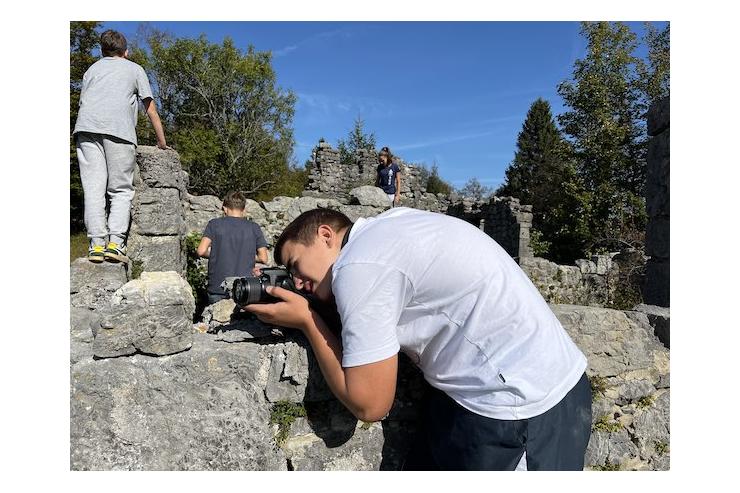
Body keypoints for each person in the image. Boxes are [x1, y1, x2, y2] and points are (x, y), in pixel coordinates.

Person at [244, 207, 592, 471]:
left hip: (522, 408)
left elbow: (370, 404)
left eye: (294, 265)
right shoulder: (390, 226)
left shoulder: (358, 264)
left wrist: (307, 319)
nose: (297, 281)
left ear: (325, 235)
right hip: (496, 390)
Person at [73, 29, 168, 263]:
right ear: (126, 51)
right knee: (120, 189)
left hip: (86, 129)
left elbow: (85, 101)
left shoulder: (92, 70)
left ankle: (96, 245)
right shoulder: (134, 69)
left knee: (94, 190)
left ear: (102, 50)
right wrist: (162, 141)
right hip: (119, 132)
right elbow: (150, 108)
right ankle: (115, 244)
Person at [197, 191, 269, 305]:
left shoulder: (214, 224)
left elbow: (201, 251)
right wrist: (246, 255)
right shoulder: (254, 227)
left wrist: (219, 253)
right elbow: (264, 258)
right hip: (245, 287)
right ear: (244, 210)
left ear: (225, 208)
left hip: (218, 287)